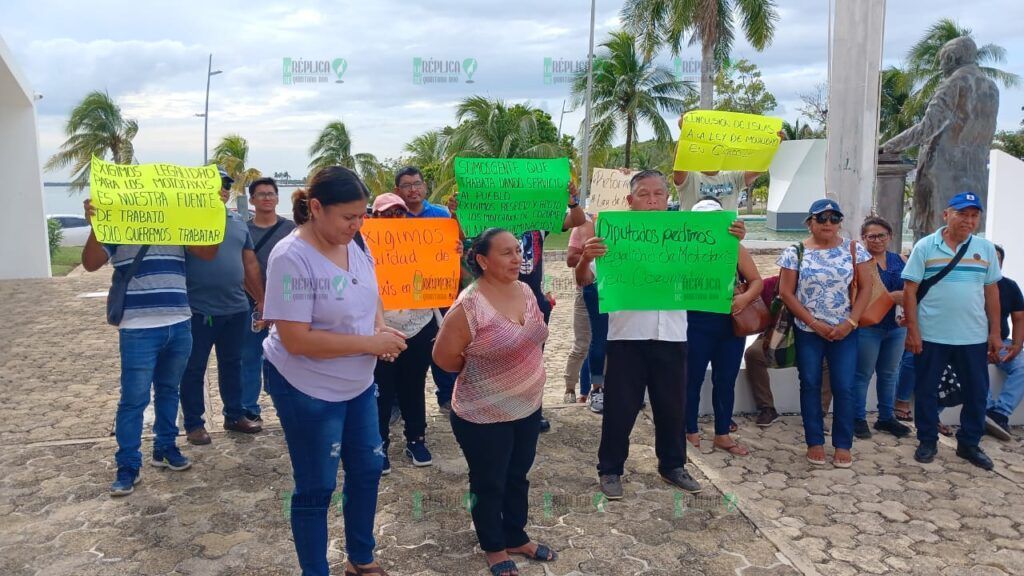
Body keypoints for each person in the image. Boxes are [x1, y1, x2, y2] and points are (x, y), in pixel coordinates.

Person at [262, 166, 405, 575]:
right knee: (317, 486)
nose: (357, 224)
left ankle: (361, 558)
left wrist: (378, 327)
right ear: (316, 208)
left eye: (362, 216)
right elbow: (296, 339)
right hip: (306, 388)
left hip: (357, 383)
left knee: (368, 468)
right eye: (348, 217)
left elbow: (368, 291)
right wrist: (368, 344)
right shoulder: (291, 258)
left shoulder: (356, 240)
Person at [576, 170, 746, 500]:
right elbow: (584, 280)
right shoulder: (614, 235)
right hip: (627, 336)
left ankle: (672, 464)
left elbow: (714, 264)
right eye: (644, 194)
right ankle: (610, 469)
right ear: (630, 200)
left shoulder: (685, 235)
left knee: (672, 405)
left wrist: (730, 239)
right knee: (620, 407)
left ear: (667, 198)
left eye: (658, 194)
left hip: (673, 334)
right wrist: (586, 257)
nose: (652, 200)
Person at [433, 228, 558, 576]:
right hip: (482, 413)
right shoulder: (469, 306)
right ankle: (493, 546)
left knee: (519, 475)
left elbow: (535, 337)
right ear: (483, 261)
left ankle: (516, 535)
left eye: (517, 251)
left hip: (529, 406)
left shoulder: (525, 291)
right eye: (506, 253)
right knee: (489, 481)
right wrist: (480, 373)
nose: (517, 258)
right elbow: (443, 359)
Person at [80, 199, 219, 496]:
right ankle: (128, 464)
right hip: (138, 326)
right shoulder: (117, 224)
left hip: (180, 321)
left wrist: (212, 211)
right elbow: (90, 263)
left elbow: (208, 252)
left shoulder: (178, 223)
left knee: (170, 391)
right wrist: (96, 224)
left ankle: (165, 447)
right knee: (134, 399)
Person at [903, 192, 1002, 470]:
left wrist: (995, 332)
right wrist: (913, 331)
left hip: (973, 336)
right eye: (962, 214)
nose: (968, 221)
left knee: (977, 392)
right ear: (946, 215)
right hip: (931, 334)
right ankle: (927, 440)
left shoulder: (985, 249)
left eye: (974, 215)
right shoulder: (925, 247)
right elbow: (909, 292)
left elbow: (992, 292)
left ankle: (969, 444)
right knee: (925, 391)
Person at [777, 199, 873, 468]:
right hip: (808, 329)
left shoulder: (855, 250)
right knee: (810, 384)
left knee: (844, 386)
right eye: (822, 218)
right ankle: (814, 441)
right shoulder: (794, 251)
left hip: (845, 329)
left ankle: (843, 444)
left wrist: (851, 322)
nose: (828, 223)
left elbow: (866, 288)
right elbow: (786, 292)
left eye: (834, 218)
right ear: (810, 222)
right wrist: (813, 322)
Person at [370, 192, 457, 473]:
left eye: (399, 213)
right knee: (381, 390)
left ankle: (416, 439)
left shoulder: (422, 240)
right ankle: (379, 443)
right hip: (380, 328)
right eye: (386, 214)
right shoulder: (362, 247)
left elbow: (445, 271)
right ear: (375, 218)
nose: (393, 219)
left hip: (420, 326)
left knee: (414, 386)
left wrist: (450, 253)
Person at [179, 170, 266, 445]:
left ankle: (235, 415)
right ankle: (194, 424)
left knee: (233, 365)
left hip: (237, 308)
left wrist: (262, 299)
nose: (223, 188)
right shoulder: (188, 220)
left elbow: (250, 264)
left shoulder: (238, 222)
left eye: (227, 184)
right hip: (198, 310)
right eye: (216, 184)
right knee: (194, 369)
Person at [684, 199, 763, 456]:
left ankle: (722, 434)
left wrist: (744, 298)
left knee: (725, 380)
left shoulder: (734, 247)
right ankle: (690, 431)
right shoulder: (683, 249)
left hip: (730, 325)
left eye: (716, 219)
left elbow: (756, 281)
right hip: (695, 323)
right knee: (691, 379)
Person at [392, 166, 462, 413]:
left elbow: (458, 240)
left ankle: (446, 396)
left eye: (417, 183)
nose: (413, 189)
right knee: (403, 347)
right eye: (407, 185)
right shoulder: (392, 218)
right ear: (397, 190)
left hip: (437, 289)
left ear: (425, 186)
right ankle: (399, 402)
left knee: (442, 342)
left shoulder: (442, 215)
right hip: (401, 294)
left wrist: (456, 249)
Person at [851, 216, 913, 439]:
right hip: (868, 325)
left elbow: (914, 291)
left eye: (881, 235)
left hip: (896, 326)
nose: (876, 240)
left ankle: (886, 417)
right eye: (871, 236)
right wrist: (890, 297)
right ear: (863, 239)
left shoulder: (902, 260)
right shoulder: (860, 263)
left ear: (890, 236)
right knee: (862, 374)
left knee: (889, 374)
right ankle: (857, 418)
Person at [743, 276, 834, 427]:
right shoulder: (769, 285)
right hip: (774, 336)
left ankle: (819, 413)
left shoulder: (817, 287)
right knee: (753, 354)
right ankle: (766, 408)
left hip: (809, 336)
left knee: (828, 360)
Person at [241, 176, 296, 423]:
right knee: (250, 357)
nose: (266, 198)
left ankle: (289, 405)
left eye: (271, 194)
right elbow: (241, 266)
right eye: (261, 194)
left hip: (287, 304)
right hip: (252, 303)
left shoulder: (291, 228)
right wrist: (261, 301)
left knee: (288, 356)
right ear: (251, 200)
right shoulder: (244, 229)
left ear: (277, 198)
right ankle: (249, 408)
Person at [672, 117, 784, 211]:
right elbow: (678, 165)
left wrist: (773, 144)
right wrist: (686, 132)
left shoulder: (733, 176)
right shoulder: (690, 178)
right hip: (694, 235)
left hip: (726, 237)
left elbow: (759, 169)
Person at [563, 214, 608, 409]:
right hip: (586, 291)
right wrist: (588, 253)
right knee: (583, 343)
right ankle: (570, 389)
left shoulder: (624, 225)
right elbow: (570, 259)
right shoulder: (583, 225)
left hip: (611, 291)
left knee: (602, 342)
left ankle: (590, 390)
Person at [985, 244, 1024, 440]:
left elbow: (1019, 318)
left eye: (996, 258)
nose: (992, 261)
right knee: (973, 364)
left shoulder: (1010, 286)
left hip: (1001, 343)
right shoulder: (968, 285)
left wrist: (1017, 346)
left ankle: (999, 414)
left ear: (1001, 262)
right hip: (970, 342)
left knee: (1022, 365)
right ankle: (986, 410)